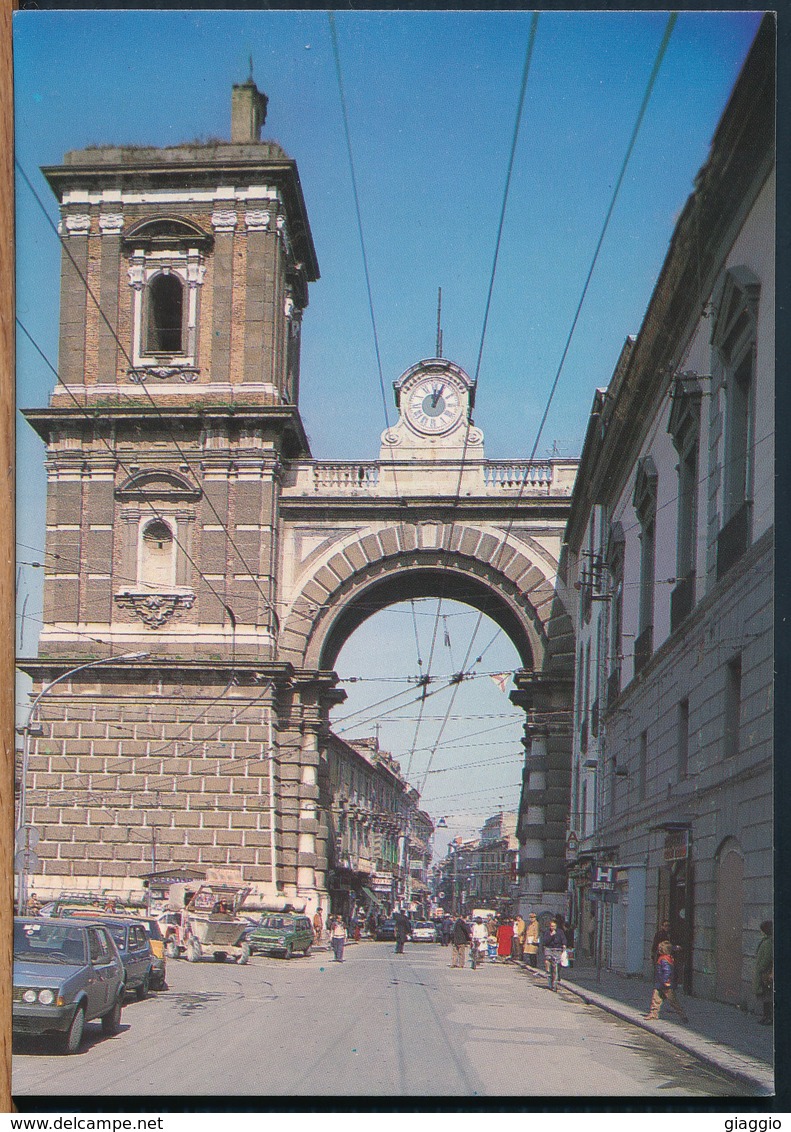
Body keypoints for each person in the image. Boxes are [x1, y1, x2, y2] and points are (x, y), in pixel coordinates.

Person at [644, 941, 688, 1021]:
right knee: (656, 999)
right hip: (661, 983)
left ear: (662, 951)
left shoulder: (664, 959)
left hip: (665, 984)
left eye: (660, 948)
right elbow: (670, 948)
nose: (658, 949)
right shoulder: (668, 957)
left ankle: (682, 1014)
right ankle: (653, 1014)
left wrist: (665, 981)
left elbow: (667, 971)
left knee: (672, 1001)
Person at [753, 920, 773, 1025]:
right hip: (763, 973)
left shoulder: (768, 942)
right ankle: (765, 1016)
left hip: (766, 973)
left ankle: (769, 1017)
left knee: (768, 996)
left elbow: (767, 958)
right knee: (765, 996)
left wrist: (760, 968)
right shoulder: (765, 941)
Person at [541, 917, 567, 991]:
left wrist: (564, 944)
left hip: (557, 950)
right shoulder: (547, 932)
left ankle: (555, 983)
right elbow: (545, 941)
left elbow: (563, 939)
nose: (553, 928)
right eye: (551, 926)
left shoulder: (560, 932)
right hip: (549, 949)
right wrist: (551, 936)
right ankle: (548, 974)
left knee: (556, 966)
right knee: (548, 961)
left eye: (554, 926)